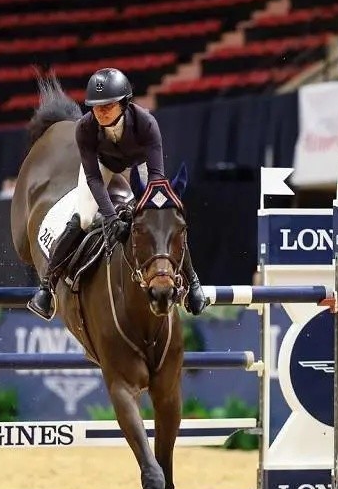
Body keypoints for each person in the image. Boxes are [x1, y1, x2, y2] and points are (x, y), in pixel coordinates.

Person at [27, 67, 206, 320]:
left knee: (161, 216)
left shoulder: (147, 123)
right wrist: (111, 218)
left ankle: (193, 285)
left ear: (124, 103)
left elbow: (156, 179)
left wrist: (147, 208)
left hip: (141, 163)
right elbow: (93, 179)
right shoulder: (85, 129)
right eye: (96, 107)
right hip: (103, 164)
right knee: (86, 219)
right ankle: (46, 288)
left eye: (107, 106)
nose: (100, 112)